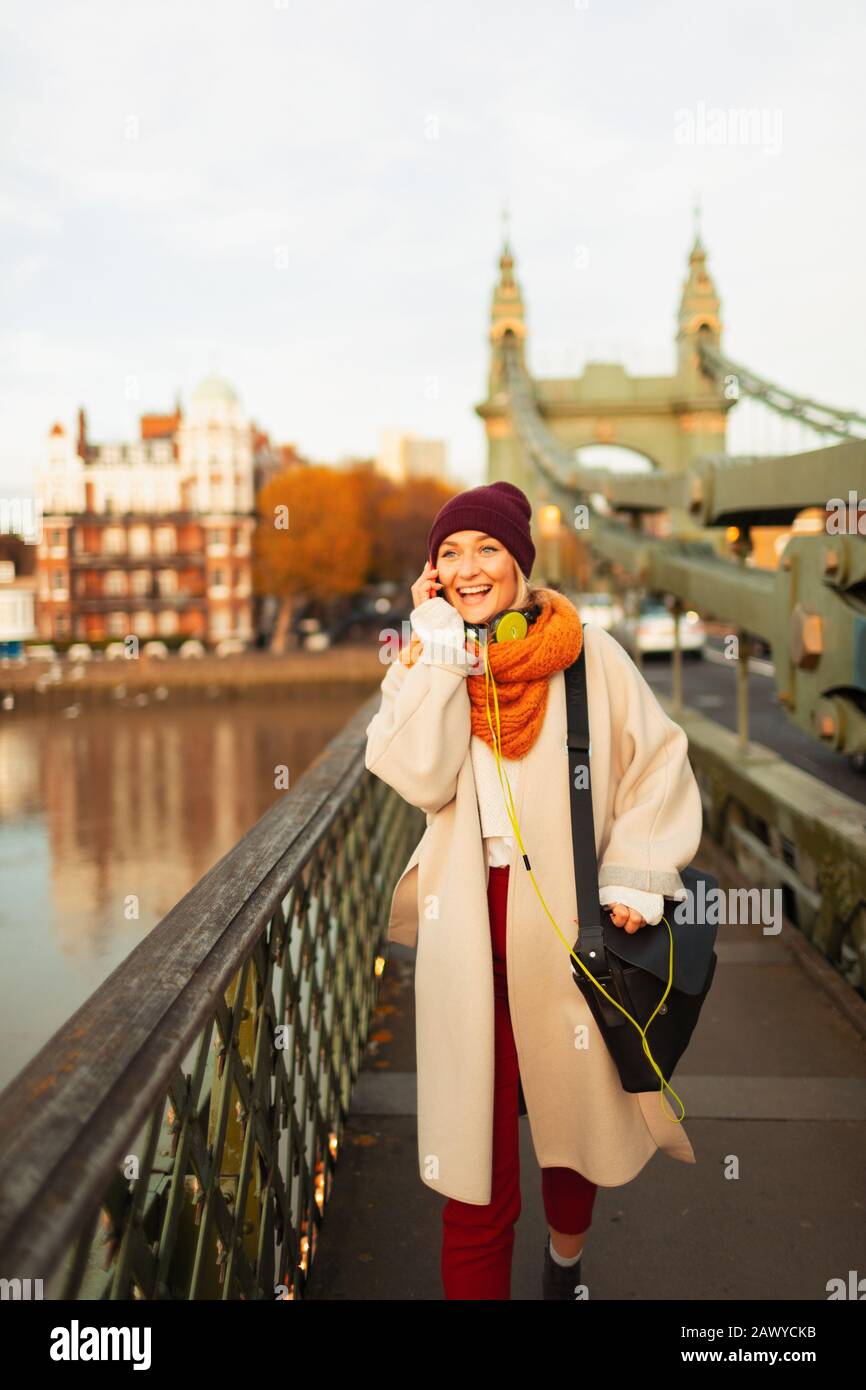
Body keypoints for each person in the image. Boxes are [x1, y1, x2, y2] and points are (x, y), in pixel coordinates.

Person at [364, 481, 703, 1300]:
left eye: (488, 550)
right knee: (473, 1163)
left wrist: (635, 874)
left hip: (568, 927)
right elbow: (417, 774)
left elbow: (659, 764)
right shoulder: (421, 663)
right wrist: (438, 644)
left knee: (571, 1120)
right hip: (466, 934)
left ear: (519, 563)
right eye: (450, 553)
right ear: (433, 573)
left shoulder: (593, 655)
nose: (469, 567)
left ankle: (564, 1263)